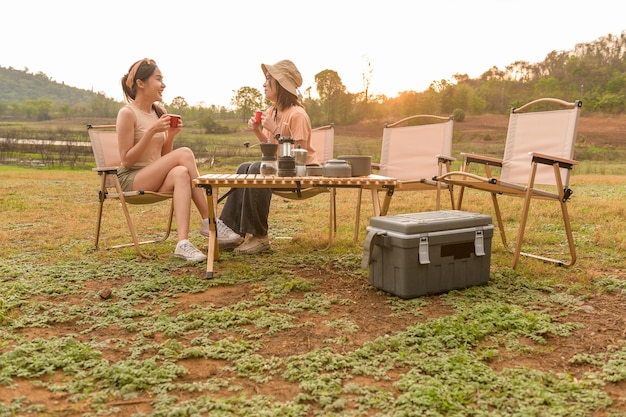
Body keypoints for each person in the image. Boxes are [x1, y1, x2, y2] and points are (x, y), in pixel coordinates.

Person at [217, 59, 318, 254]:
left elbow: (299, 154)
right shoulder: (272, 112)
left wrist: (277, 130)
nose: (263, 84)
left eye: (268, 80)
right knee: (244, 168)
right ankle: (232, 233)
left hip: (299, 172)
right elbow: (271, 152)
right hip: (280, 168)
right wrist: (258, 131)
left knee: (257, 169)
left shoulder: (297, 115)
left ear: (280, 85)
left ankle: (260, 236)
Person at [116, 58, 210, 262]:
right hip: (131, 178)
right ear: (141, 83)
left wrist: (172, 135)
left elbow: (165, 159)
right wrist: (151, 131)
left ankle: (182, 243)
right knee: (184, 153)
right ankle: (209, 220)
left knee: (181, 172)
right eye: (158, 79)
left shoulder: (160, 112)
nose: (163, 84)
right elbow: (126, 161)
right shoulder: (127, 113)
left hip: (154, 176)